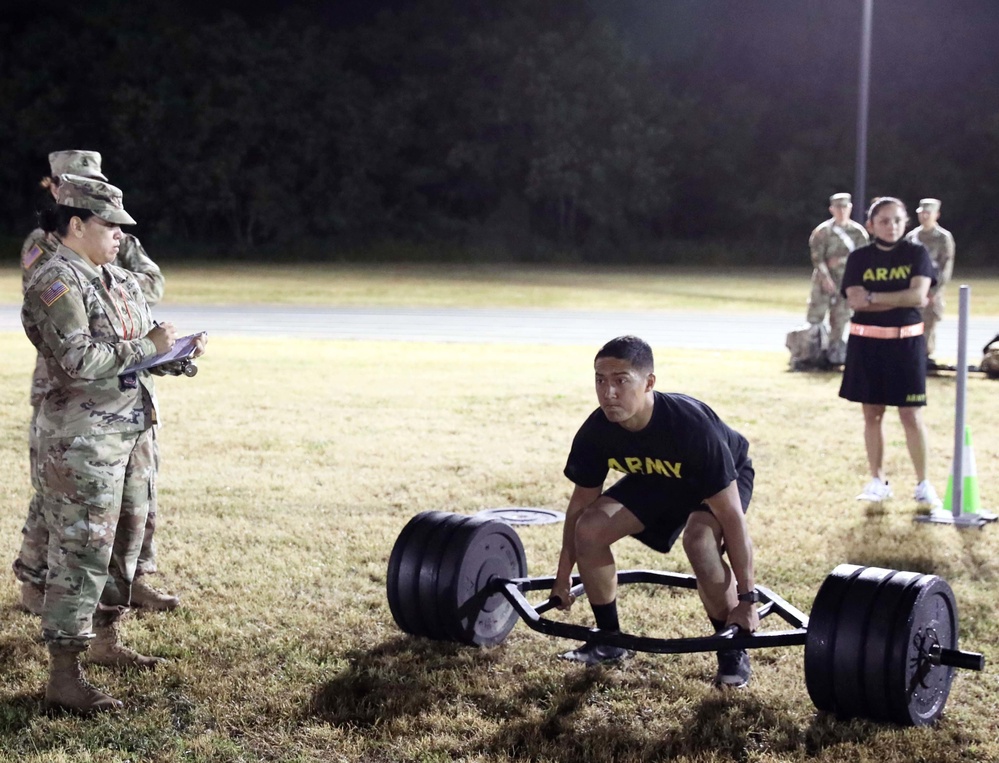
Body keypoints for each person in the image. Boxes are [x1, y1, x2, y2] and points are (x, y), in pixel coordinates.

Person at [22, 174, 204, 713]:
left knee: (125, 542)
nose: (122, 235)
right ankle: (64, 675)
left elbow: (130, 352)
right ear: (76, 225)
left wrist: (170, 355)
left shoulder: (116, 278)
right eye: (111, 225)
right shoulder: (56, 282)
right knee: (81, 553)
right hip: (82, 442)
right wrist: (146, 346)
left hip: (130, 429)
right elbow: (79, 360)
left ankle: (105, 640)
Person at [14, 150, 179, 616]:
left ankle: (130, 582)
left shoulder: (109, 233)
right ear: (54, 186)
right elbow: (73, 336)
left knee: (135, 495)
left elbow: (146, 284)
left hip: (124, 387)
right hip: (71, 392)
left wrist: (154, 345)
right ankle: (36, 580)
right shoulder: (48, 247)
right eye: (68, 180)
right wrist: (141, 338)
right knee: (65, 499)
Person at [551, 336, 759, 689]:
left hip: (717, 476)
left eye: (621, 380)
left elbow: (732, 520)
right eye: (600, 379)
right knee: (590, 527)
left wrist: (748, 598)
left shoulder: (692, 428)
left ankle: (732, 648)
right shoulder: (597, 431)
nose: (609, 392)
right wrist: (562, 576)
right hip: (657, 476)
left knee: (699, 541)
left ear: (649, 383)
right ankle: (609, 640)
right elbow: (579, 507)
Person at [840, 197, 942, 509]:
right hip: (867, 345)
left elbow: (918, 295)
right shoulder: (859, 258)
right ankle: (877, 480)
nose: (891, 226)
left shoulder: (916, 253)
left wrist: (874, 296)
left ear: (905, 223)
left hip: (905, 346)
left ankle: (923, 483)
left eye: (897, 220)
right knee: (872, 414)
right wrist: (898, 298)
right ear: (871, 225)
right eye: (884, 220)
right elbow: (855, 301)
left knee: (910, 414)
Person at [803, 193, 870, 366]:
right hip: (823, 280)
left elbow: (863, 259)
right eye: (838, 208)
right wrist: (825, 278)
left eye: (845, 207)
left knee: (840, 318)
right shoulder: (822, 232)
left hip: (847, 281)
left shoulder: (858, 233)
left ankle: (835, 355)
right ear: (832, 209)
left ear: (850, 208)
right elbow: (818, 258)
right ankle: (813, 353)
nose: (841, 211)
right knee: (815, 317)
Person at [904, 198, 955, 367]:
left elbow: (945, 266)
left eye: (928, 213)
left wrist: (934, 290)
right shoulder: (912, 237)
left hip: (932, 290)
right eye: (922, 213)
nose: (924, 216)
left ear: (936, 215)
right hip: (912, 289)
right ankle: (912, 354)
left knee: (928, 323)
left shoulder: (942, 238)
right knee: (911, 322)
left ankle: (925, 356)